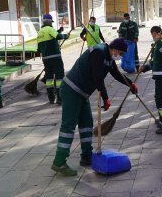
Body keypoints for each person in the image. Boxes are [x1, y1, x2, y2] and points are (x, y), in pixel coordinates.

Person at [51, 38, 138, 176]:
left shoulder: (109, 57)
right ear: (114, 48)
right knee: (68, 126)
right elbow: (98, 77)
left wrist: (130, 84)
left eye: (121, 54)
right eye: (120, 53)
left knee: (86, 124)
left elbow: (116, 73)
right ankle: (59, 161)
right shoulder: (98, 52)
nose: (119, 56)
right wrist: (106, 97)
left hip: (82, 93)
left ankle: (86, 157)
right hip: (71, 90)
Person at [139, 26, 162, 134]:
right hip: (161, 76)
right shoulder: (158, 43)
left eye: (155, 35)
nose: (154, 37)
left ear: (159, 33)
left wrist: (159, 42)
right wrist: (145, 68)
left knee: (160, 100)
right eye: (152, 35)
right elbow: (155, 61)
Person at [37, 14, 69, 104]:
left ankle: (51, 98)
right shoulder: (50, 29)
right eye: (51, 22)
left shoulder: (39, 32)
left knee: (49, 79)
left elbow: (39, 49)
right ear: (49, 22)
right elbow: (58, 36)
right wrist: (65, 36)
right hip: (55, 57)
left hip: (46, 59)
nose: (52, 23)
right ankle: (60, 98)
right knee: (59, 78)